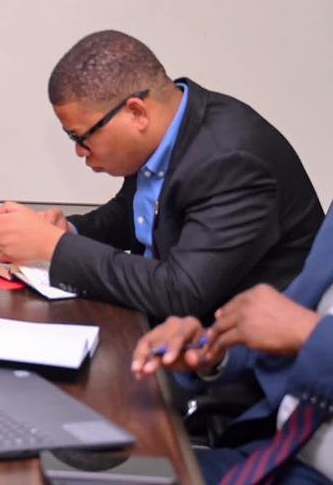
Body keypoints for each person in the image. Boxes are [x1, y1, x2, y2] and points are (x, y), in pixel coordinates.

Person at [0, 30, 322, 321]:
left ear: (136, 113)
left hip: (240, 361)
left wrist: (54, 247)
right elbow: (135, 213)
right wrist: (69, 231)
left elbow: (181, 293)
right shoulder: (172, 126)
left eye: (81, 137)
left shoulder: (231, 161)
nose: (79, 151)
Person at [132, 206, 333, 484]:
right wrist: (214, 346)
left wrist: (309, 333)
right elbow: (290, 321)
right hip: (278, 453)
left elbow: (300, 328)